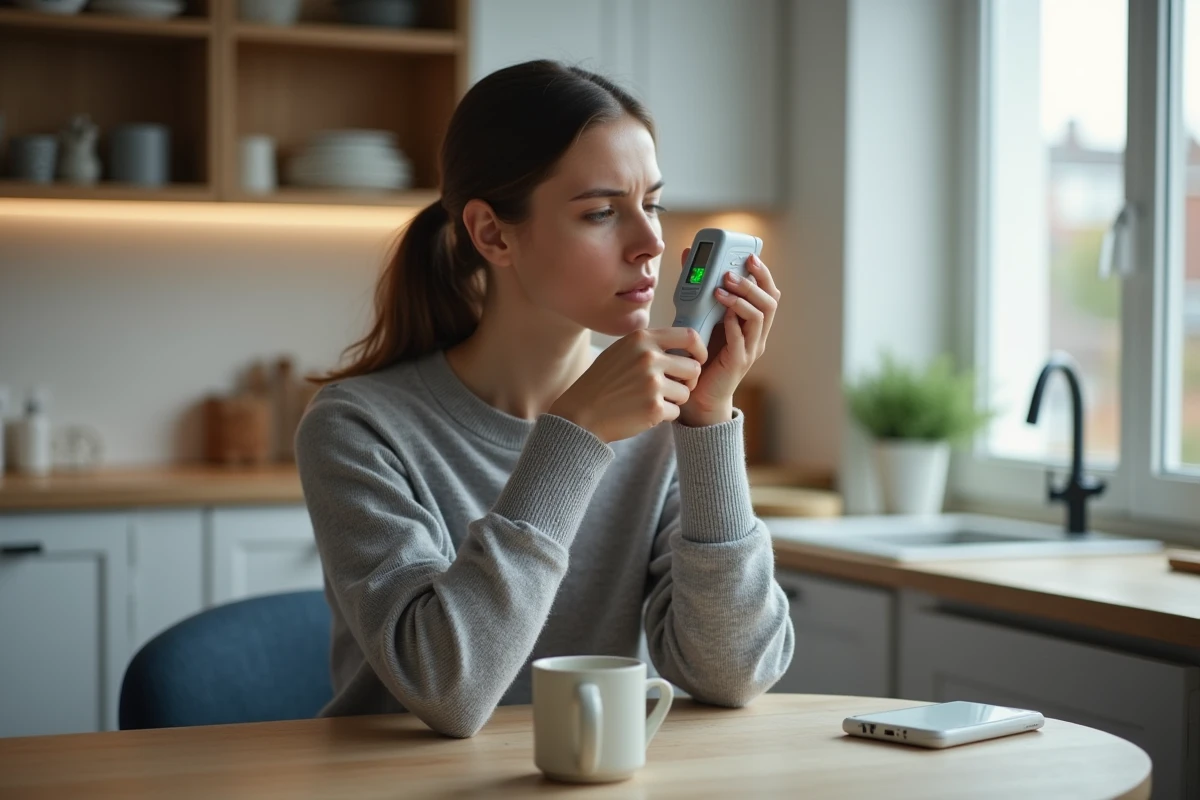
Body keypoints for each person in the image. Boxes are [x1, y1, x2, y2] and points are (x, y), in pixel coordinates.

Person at [295, 60, 794, 739]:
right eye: (600, 212)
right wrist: (574, 434)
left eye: (652, 204)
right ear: (493, 233)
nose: (650, 243)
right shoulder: (358, 427)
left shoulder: (660, 416)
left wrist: (706, 422)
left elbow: (733, 672)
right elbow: (448, 690)